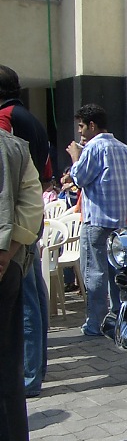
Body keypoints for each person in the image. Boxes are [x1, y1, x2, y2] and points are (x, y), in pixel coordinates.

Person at [0, 64, 50, 398]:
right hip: (29, 217)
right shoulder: (32, 119)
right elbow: (45, 172)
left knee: (26, 302)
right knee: (34, 296)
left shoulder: (5, 120)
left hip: (13, 229)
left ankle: (30, 375)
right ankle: (36, 368)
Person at [0, 128, 44, 441]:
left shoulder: (8, 147)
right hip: (10, 262)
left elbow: (30, 207)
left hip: (5, 265)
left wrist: (6, 251)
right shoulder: (14, 148)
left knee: (3, 366)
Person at [66, 104, 127, 337]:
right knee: (116, 273)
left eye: (82, 126)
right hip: (119, 220)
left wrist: (76, 157)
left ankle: (95, 322)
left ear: (92, 125)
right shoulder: (122, 148)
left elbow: (80, 177)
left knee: (94, 273)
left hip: (96, 220)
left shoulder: (94, 147)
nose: (80, 132)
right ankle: (119, 319)